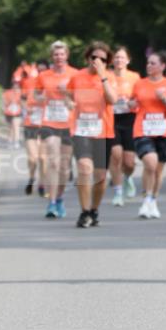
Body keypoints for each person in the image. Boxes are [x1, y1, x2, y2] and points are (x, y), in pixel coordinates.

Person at [70, 42, 116, 228]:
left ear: (107, 62)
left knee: (100, 177)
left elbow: (112, 99)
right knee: (84, 168)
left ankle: (94, 209)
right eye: (94, 57)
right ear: (87, 58)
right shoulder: (77, 77)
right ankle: (84, 211)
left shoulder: (109, 77)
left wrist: (102, 77)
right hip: (81, 130)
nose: (97, 61)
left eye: (102, 59)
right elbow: (67, 94)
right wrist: (68, 104)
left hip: (102, 131)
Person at [131, 51, 166, 218]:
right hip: (143, 129)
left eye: (153, 63)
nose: (149, 66)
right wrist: (131, 104)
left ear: (163, 66)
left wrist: (164, 99)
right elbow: (132, 103)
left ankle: (153, 199)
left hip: (164, 131)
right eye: (148, 63)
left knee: (158, 168)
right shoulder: (139, 84)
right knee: (150, 163)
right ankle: (146, 198)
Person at [34, 41, 77, 219]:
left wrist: (66, 93)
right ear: (52, 57)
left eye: (62, 54)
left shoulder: (75, 74)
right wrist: (41, 97)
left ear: (67, 55)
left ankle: (59, 198)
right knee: (53, 162)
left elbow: (79, 98)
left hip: (68, 123)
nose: (59, 57)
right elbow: (36, 95)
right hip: (50, 121)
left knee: (65, 168)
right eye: (56, 54)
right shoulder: (44, 76)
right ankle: (51, 203)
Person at [108, 46, 140, 206]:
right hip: (111, 119)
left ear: (128, 60)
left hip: (130, 119)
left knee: (129, 162)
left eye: (122, 57)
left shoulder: (134, 77)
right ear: (112, 60)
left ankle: (128, 177)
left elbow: (140, 96)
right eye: (116, 57)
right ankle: (118, 192)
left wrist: (134, 102)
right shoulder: (107, 76)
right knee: (115, 155)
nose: (119, 60)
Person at [21, 58, 48, 196]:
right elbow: (22, 99)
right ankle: (32, 178)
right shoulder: (29, 83)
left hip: (46, 125)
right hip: (30, 124)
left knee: (43, 158)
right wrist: (27, 109)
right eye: (40, 70)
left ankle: (42, 184)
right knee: (33, 157)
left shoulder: (51, 83)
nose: (42, 72)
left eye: (44, 70)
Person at [2, 80, 23, 148]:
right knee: (10, 127)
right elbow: (4, 102)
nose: (16, 85)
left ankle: (16, 142)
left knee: (16, 126)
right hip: (9, 112)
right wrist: (9, 102)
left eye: (17, 84)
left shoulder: (21, 92)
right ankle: (10, 141)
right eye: (15, 84)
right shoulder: (7, 92)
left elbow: (24, 102)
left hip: (17, 112)